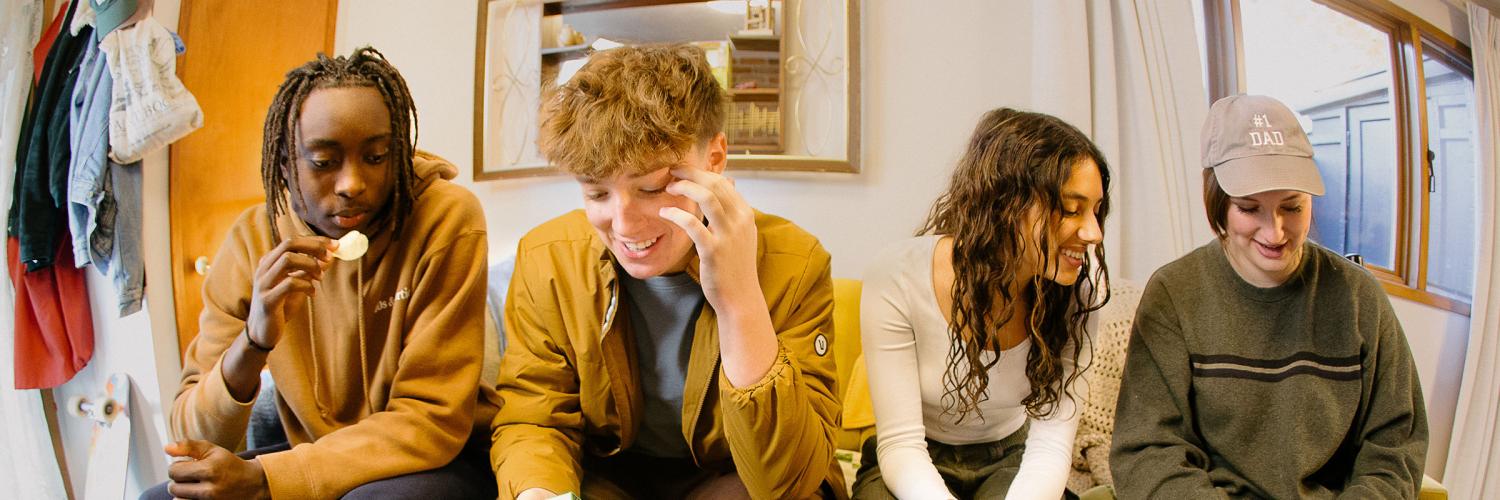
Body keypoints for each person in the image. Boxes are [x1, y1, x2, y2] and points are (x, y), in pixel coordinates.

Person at [489, 44, 845, 500]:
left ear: (714, 159)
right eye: (597, 194)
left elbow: (788, 479)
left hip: (732, 476)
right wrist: (538, 491)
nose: (623, 226)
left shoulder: (795, 264)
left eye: (653, 187)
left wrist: (739, 302)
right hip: (610, 475)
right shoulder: (547, 259)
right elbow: (535, 419)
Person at [142, 47, 501, 499]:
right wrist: (254, 341)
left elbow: (432, 420)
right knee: (162, 497)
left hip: (442, 455)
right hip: (321, 452)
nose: (352, 184)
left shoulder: (446, 217)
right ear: (285, 164)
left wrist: (268, 479)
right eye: (324, 162)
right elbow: (196, 436)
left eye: (376, 157)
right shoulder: (253, 240)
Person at [1109, 94, 1428, 498]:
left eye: (1292, 208)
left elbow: (1395, 449)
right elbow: (1147, 452)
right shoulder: (1174, 293)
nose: (1275, 233)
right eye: (1249, 209)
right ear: (1217, 204)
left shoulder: (1358, 297)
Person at [853, 108, 1110, 500]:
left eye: (1096, 210)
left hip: (1013, 461)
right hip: (914, 460)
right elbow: (902, 446)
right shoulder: (897, 276)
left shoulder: (1081, 293)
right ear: (1006, 204)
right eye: (1072, 210)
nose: (1093, 233)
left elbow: (1049, 449)